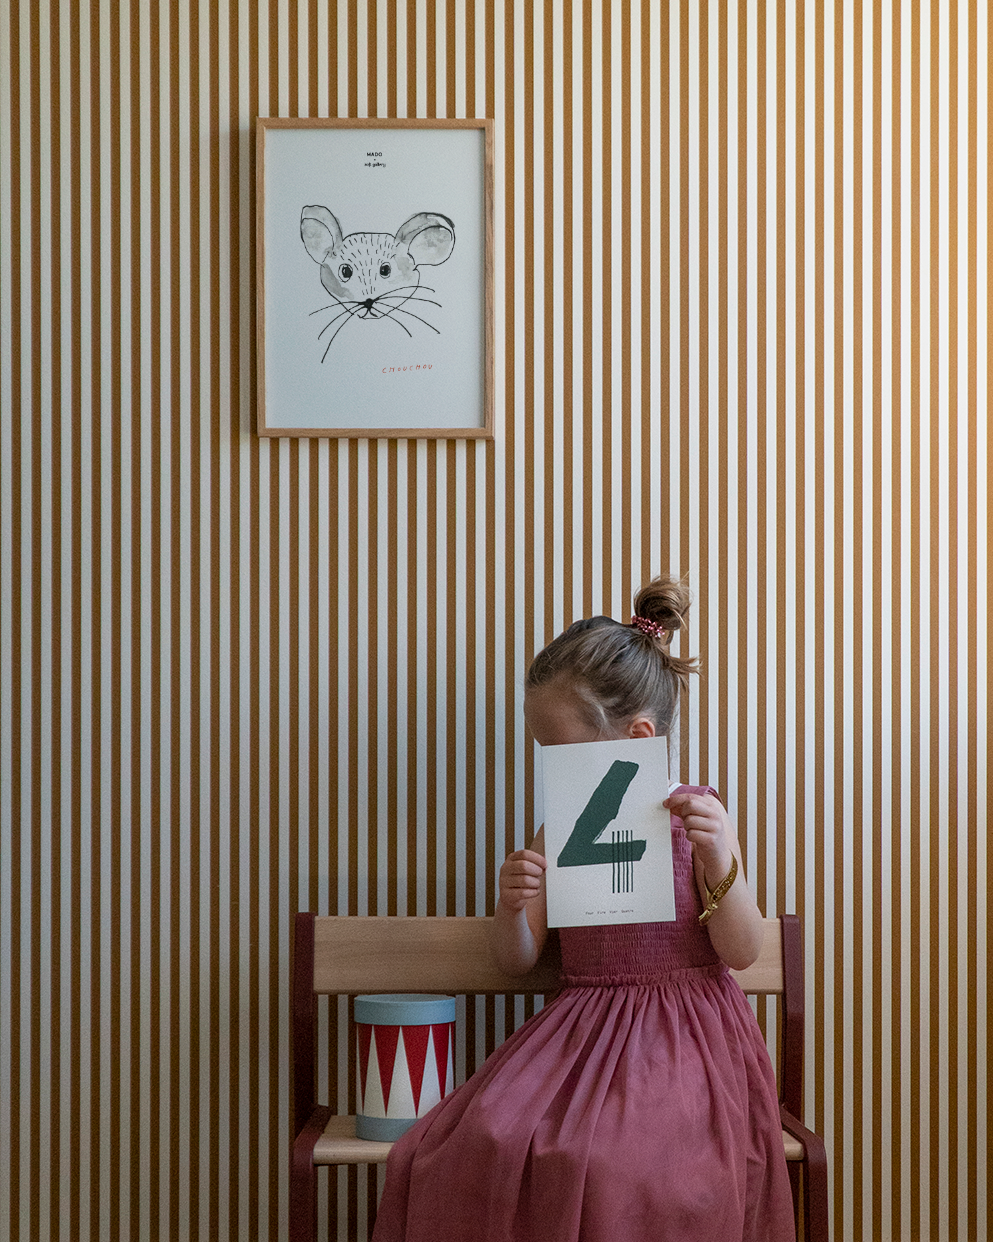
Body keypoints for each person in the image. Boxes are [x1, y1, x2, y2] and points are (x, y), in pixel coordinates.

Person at [372, 576, 796, 1242]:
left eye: (562, 753)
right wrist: (513, 905)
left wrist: (720, 858)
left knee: (618, 1164)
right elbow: (516, 960)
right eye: (545, 755)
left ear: (636, 736)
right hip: (581, 1031)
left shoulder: (697, 818)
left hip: (684, 1039)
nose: (552, 772)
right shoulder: (563, 828)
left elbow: (741, 952)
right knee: (488, 1137)